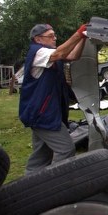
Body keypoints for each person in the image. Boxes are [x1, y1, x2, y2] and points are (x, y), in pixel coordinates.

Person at [19, 23, 88, 174]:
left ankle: (29, 186)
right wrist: (78, 33)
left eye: (54, 35)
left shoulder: (49, 54)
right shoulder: (38, 53)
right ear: (38, 39)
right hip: (42, 113)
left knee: (41, 156)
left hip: (47, 112)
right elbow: (60, 54)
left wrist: (84, 38)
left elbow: (72, 55)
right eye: (51, 36)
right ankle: (55, 184)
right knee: (66, 149)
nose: (55, 38)